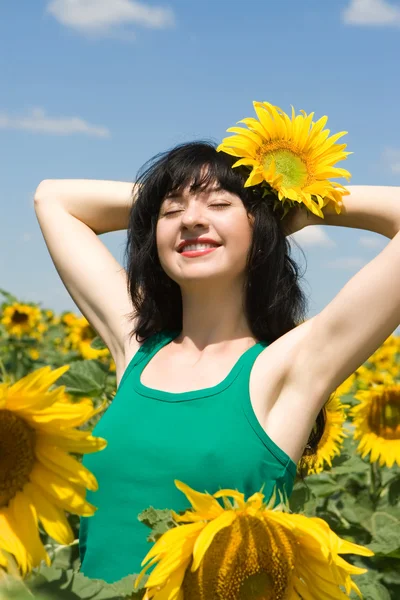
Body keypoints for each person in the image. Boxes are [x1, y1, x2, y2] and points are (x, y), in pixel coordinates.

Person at [34, 133, 400, 584]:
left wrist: (288, 203)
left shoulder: (287, 369)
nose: (190, 220)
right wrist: (175, 199)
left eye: (219, 205)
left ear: (261, 227)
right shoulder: (136, 348)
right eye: (170, 211)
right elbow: (53, 198)